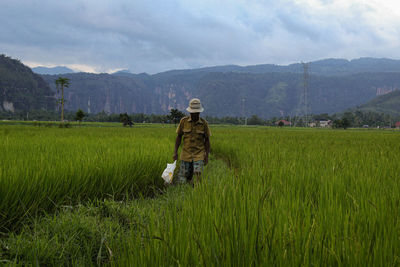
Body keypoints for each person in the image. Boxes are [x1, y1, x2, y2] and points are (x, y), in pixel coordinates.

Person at [173, 98, 211, 185]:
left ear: (199, 112)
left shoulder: (204, 123)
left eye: (196, 113)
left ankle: (196, 193)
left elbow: (207, 140)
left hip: (199, 154)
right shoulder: (183, 121)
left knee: (198, 175)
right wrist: (175, 152)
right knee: (183, 178)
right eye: (192, 113)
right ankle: (184, 193)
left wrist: (206, 155)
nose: (194, 115)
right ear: (190, 112)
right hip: (186, 154)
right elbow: (179, 137)